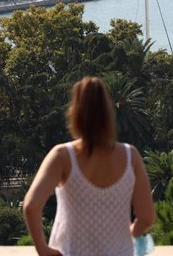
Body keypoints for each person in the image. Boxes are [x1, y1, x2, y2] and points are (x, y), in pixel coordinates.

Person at [23, 76, 155, 256]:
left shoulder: (62, 156)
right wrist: (124, 238)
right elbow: (147, 217)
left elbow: (31, 206)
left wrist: (43, 249)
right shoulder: (130, 156)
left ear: (74, 113)